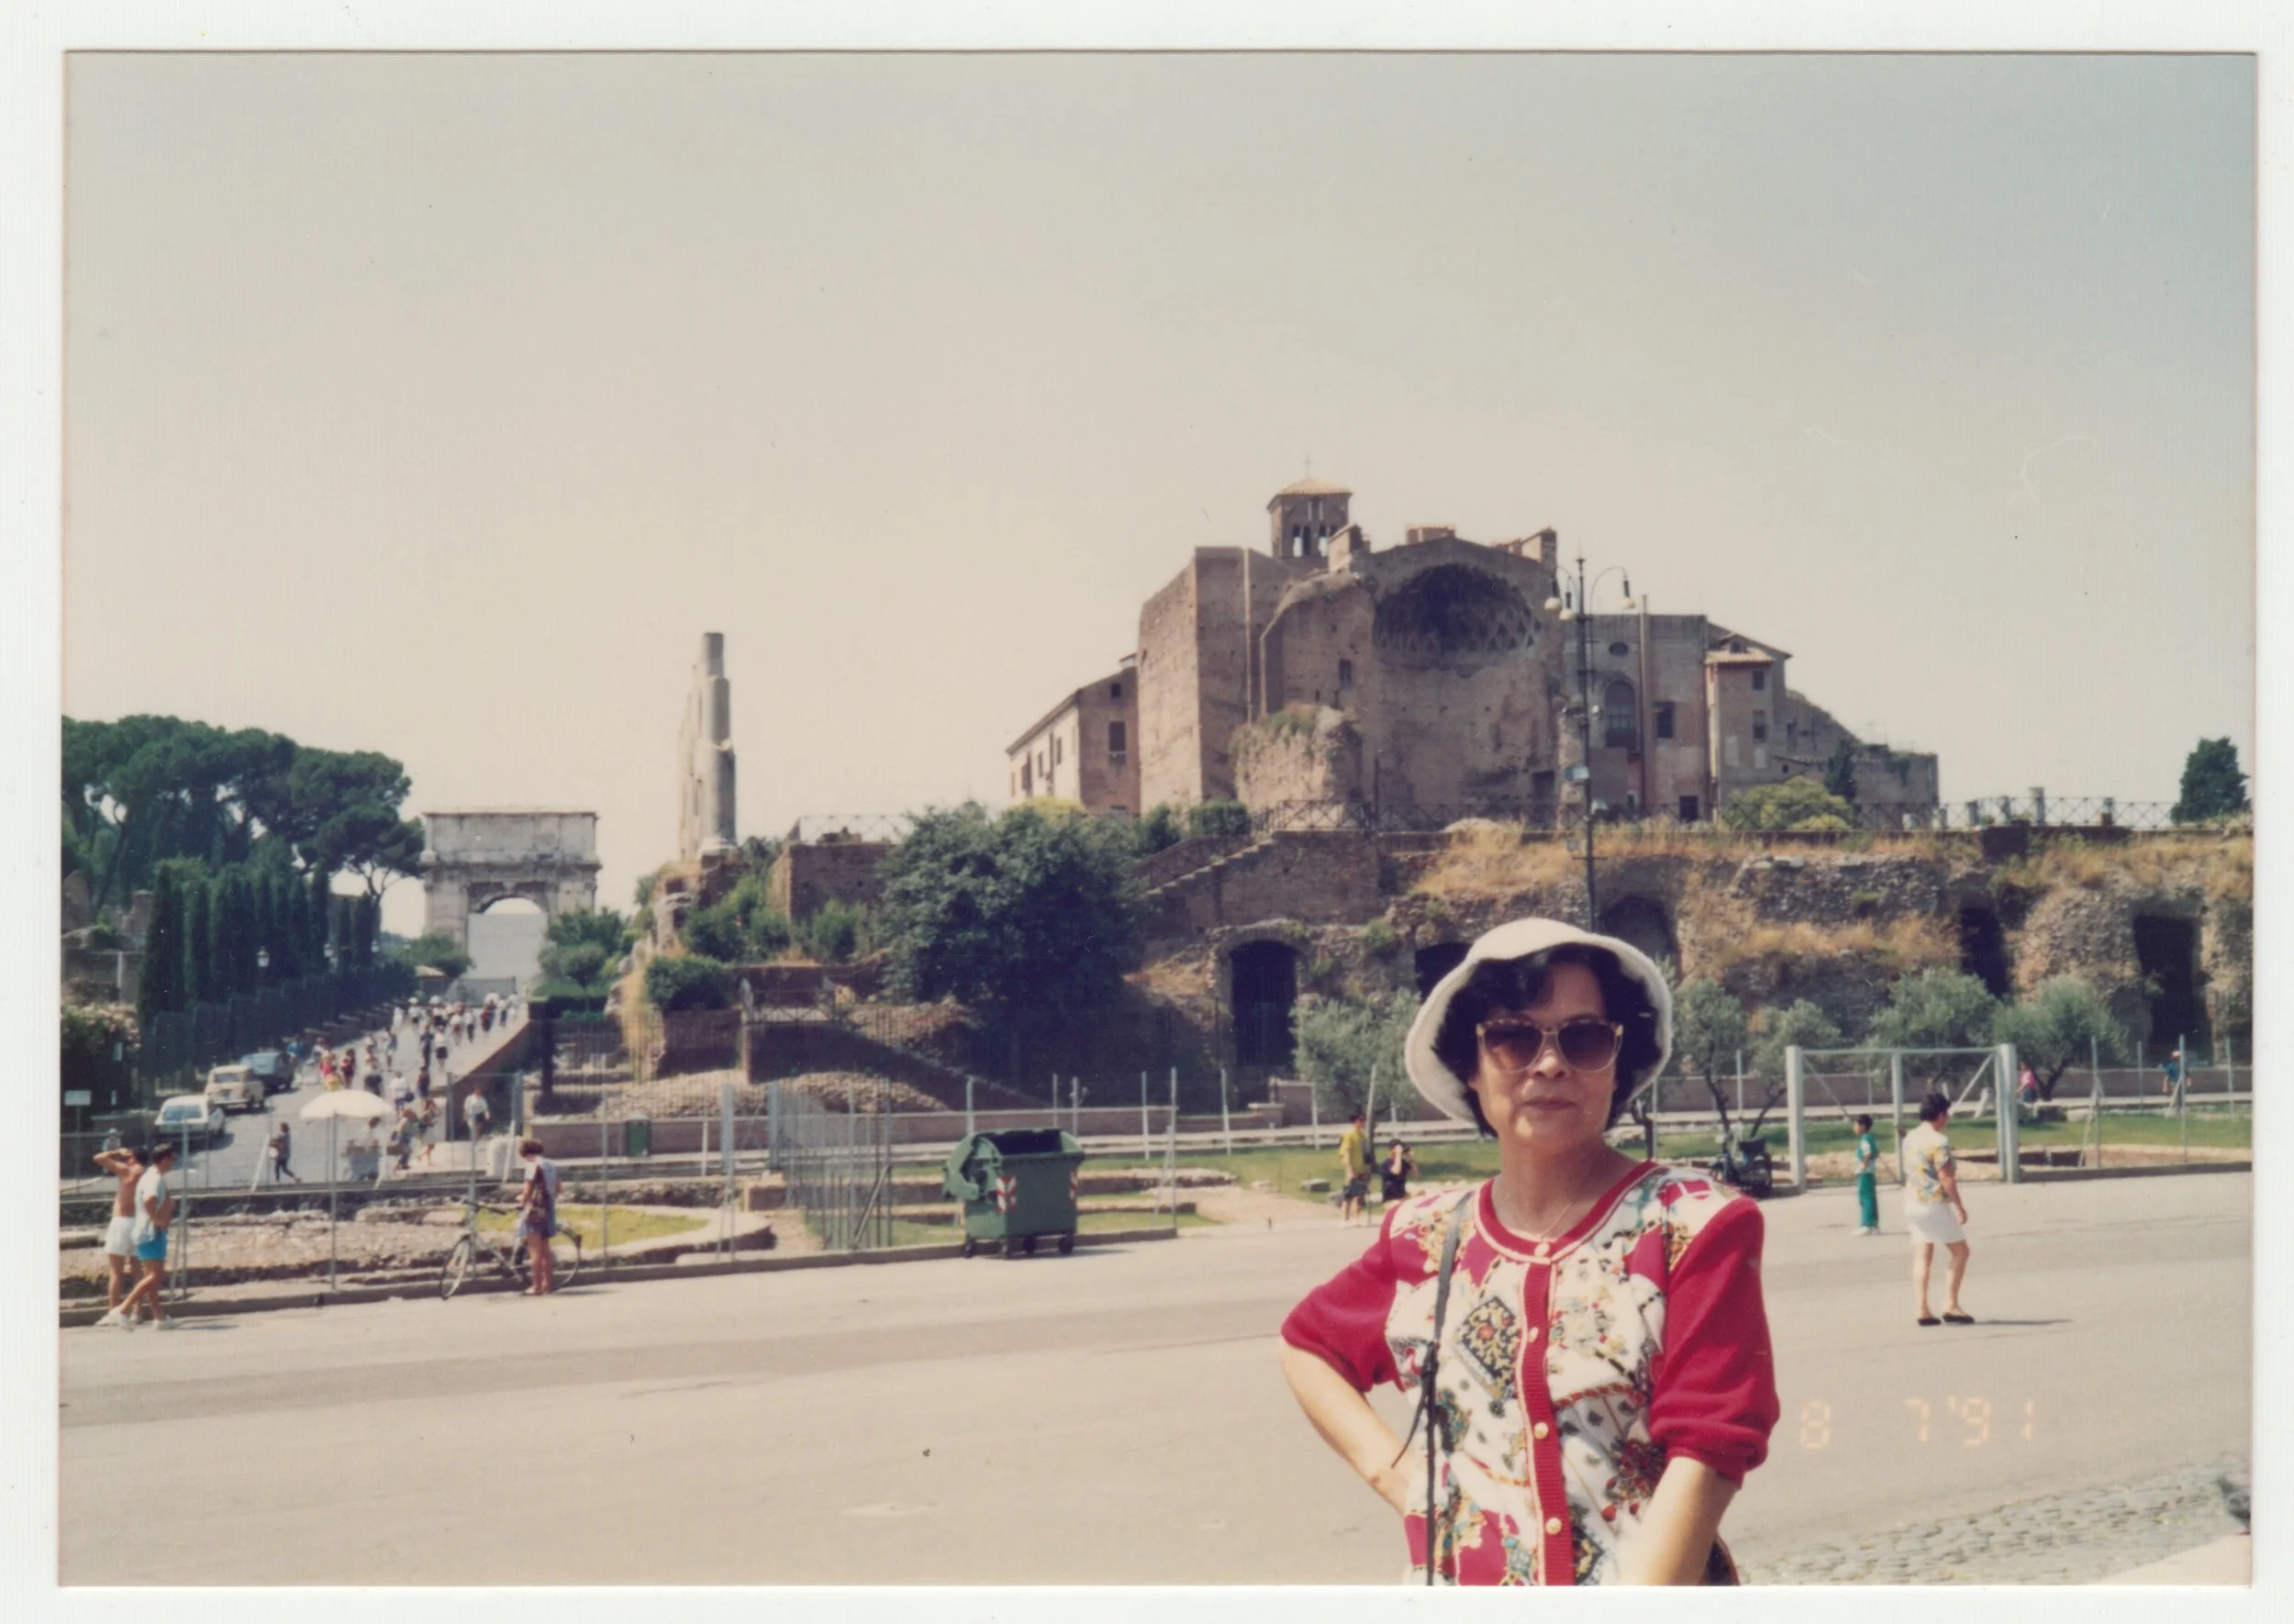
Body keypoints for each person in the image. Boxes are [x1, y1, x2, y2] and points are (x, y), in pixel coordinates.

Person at [1280, 918, 1777, 1585]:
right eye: (1513, 1038)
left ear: (1616, 1063)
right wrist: (1408, 1486)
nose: (1549, 1064)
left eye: (1584, 1038)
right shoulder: (1424, 1237)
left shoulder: (1693, 1224)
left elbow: (1710, 1453)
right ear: (1471, 1065)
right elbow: (1307, 1344)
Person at [1902, 1092, 1972, 1326]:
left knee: (1923, 1255)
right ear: (1941, 1115)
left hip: (1912, 1202)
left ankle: (1922, 1308)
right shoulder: (1939, 1141)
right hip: (1934, 1204)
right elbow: (1946, 1178)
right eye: (1947, 1115)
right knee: (1961, 1252)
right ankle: (1950, 1304)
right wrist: (1960, 1207)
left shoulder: (1910, 1138)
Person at [105, 1140, 178, 1329]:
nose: (174, 1162)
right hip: (151, 1232)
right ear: (163, 1160)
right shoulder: (154, 1178)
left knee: (151, 1276)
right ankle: (122, 1310)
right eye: (171, 1159)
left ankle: (159, 1318)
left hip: (145, 1231)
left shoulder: (152, 1176)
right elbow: (149, 1200)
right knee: (154, 1276)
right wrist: (157, 1220)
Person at [92, 1143, 144, 1317]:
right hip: (139, 1221)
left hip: (122, 1221)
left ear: (133, 1157)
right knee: (138, 1271)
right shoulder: (147, 1173)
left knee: (116, 1271)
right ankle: (138, 1311)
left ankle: (114, 1312)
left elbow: (99, 1158)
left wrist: (117, 1153)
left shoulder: (126, 1170)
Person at [516, 1138, 561, 1296]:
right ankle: (547, 1284)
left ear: (526, 1154)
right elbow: (558, 1187)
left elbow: (528, 1190)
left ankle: (536, 1286)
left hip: (534, 1211)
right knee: (545, 1250)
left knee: (534, 1250)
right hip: (548, 1209)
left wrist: (521, 1201)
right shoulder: (551, 1165)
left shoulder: (532, 1165)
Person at [1336, 1111, 1372, 1226]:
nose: (1363, 1123)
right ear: (1355, 1121)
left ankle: (1357, 1218)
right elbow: (1346, 1153)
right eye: (1361, 1120)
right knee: (1348, 1195)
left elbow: (1366, 1154)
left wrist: (1367, 1169)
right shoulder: (1349, 1135)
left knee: (1359, 1196)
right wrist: (1349, 1170)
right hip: (1353, 1169)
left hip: (1361, 1169)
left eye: (1364, 1120)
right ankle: (1344, 1219)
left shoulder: (1363, 1135)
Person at [1852, 1114, 1880, 1236]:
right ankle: (1874, 1224)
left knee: (1865, 1198)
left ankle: (1867, 1224)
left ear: (1862, 1126)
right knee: (1871, 1197)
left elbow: (1867, 1153)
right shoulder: (1870, 1138)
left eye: (1856, 1124)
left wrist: (1864, 1165)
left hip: (1865, 1172)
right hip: (1871, 1172)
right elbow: (1875, 1151)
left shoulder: (1864, 1139)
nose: (1854, 1127)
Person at [1378, 1140, 1416, 1207]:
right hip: (1390, 1201)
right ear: (1392, 1150)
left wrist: (1411, 1159)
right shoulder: (1386, 1163)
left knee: (1421, 1193)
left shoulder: (1403, 1163)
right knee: (1399, 1203)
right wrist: (1398, 1154)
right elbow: (1396, 1171)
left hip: (1402, 1197)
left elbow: (1415, 1174)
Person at [268, 1119, 299, 1183]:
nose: (280, 1128)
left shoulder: (284, 1135)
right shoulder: (284, 1134)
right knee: (284, 1169)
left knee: (277, 1168)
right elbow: (276, 1140)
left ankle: (277, 1181)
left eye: (281, 1127)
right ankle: (295, 1178)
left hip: (282, 1155)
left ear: (284, 1128)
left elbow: (277, 1140)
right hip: (283, 1154)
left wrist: (272, 1141)